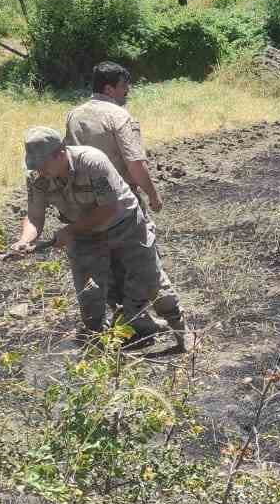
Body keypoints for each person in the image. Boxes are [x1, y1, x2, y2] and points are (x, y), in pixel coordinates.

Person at [11, 127, 187, 349]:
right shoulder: (37, 176)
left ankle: (182, 334)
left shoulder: (92, 162)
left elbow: (108, 208)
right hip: (84, 234)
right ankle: (105, 345)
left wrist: (70, 231)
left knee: (149, 281)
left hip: (125, 224)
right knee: (91, 294)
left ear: (61, 153)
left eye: (43, 164)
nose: (40, 170)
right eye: (35, 165)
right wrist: (25, 240)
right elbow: (35, 216)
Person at [65, 62, 163, 212]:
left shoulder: (74, 115)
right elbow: (134, 162)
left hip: (83, 203)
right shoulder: (119, 115)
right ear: (109, 89)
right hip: (118, 198)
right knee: (143, 234)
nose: (127, 90)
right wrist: (153, 195)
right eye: (123, 86)